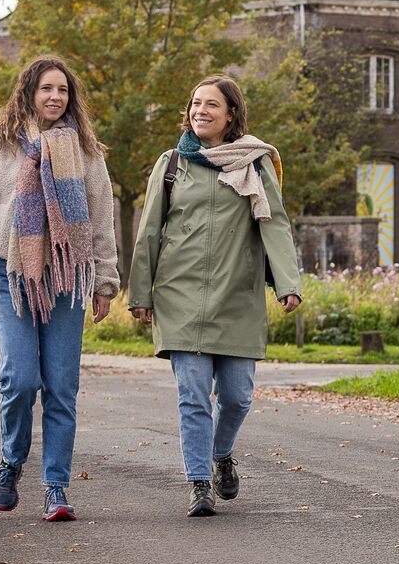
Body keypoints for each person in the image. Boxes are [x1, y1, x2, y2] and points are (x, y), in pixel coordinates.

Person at [0, 56, 119, 521]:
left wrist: (104, 280)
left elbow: (102, 220)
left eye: (63, 90)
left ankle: (56, 488)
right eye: (46, 88)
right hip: (11, 277)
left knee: (62, 386)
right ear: (29, 92)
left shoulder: (86, 151)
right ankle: (10, 462)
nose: (55, 97)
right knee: (21, 380)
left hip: (66, 277)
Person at [127, 74, 301, 517]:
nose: (200, 111)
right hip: (178, 294)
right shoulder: (171, 164)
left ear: (231, 115)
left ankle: (221, 453)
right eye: (194, 103)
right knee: (192, 394)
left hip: (236, 294)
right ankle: (199, 481)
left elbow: (274, 223)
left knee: (238, 396)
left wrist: (287, 283)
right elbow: (148, 231)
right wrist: (139, 293)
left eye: (211, 105)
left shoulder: (253, 164)